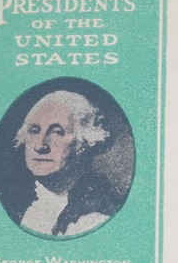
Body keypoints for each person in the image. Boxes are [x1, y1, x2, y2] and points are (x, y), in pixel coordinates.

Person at [12, 90, 118, 236]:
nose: (40, 146)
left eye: (57, 132)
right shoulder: (27, 207)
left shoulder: (96, 217)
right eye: (34, 131)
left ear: (85, 142)